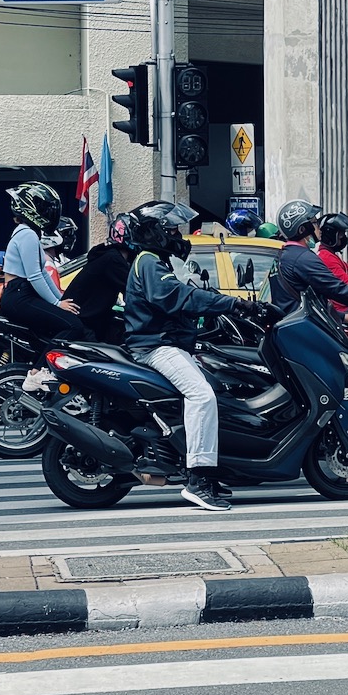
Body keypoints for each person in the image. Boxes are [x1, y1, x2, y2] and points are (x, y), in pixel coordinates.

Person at [122, 201, 266, 511]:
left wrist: (226, 303)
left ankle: (212, 472)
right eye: (171, 229)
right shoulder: (148, 262)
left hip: (171, 344)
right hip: (156, 346)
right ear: (153, 233)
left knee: (218, 389)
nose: (177, 234)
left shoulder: (158, 261)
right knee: (201, 396)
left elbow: (191, 292)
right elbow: (175, 297)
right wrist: (232, 304)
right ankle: (198, 480)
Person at [0, 182, 89, 341]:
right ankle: (40, 367)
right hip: (20, 294)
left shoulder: (28, 233)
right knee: (73, 326)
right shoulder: (28, 235)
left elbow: (42, 273)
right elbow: (35, 276)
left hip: (19, 293)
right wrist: (56, 304)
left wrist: (60, 301)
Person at [63, 213, 135, 343]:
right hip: (83, 325)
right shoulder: (114, 260)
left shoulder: (109, 256)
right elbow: (135, 291)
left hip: (90, 322)